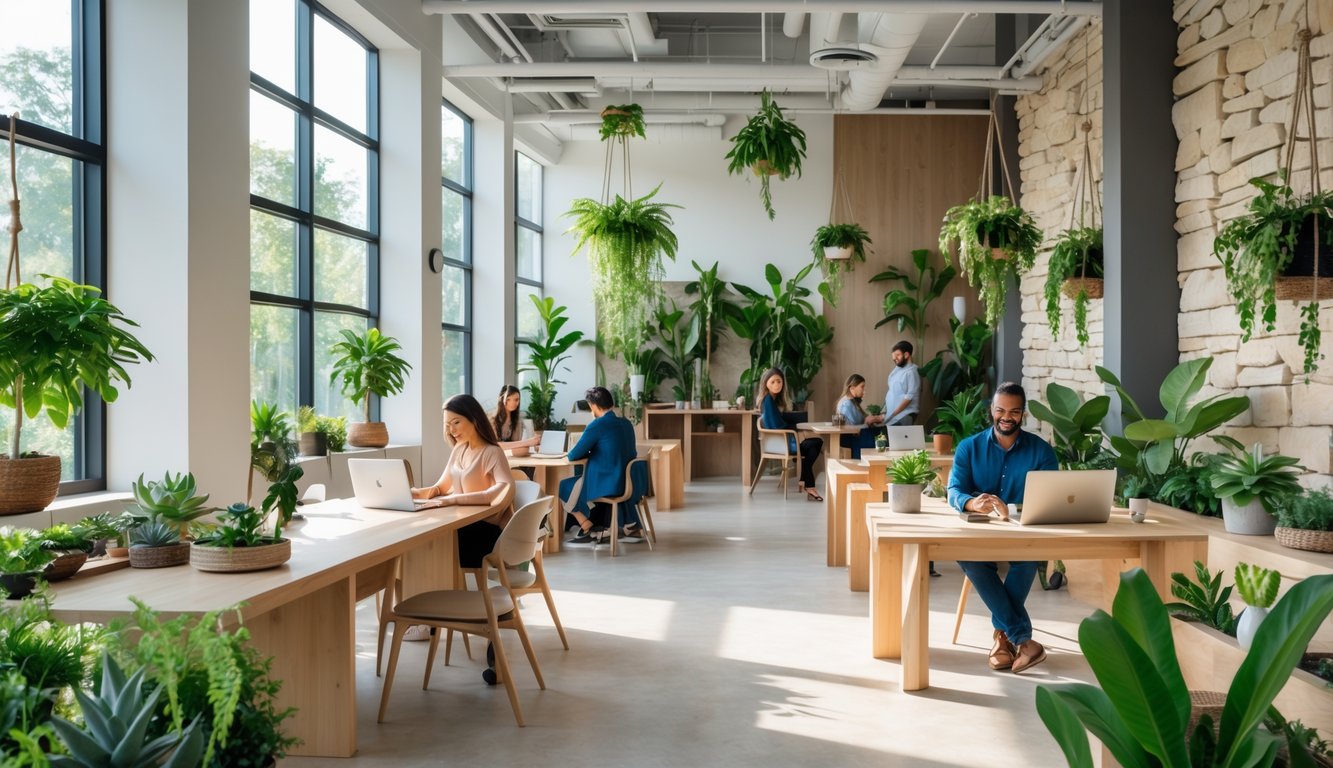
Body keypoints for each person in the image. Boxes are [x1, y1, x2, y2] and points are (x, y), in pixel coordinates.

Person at [946, 381, 1058, 674]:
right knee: (969, 558)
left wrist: (1015, 509)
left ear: (1023, 415)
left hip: (1024, 533)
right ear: (991, 411)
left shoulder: (1042, 452)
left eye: (1014, 411)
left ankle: (1004, 638)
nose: (1006, 417)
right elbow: (954, 490)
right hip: (979, 533)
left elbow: (1051, 496)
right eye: (1000, 410)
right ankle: (1023, 640)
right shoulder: (968, 448)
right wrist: (971, 503)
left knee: (1028, 559)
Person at [410, 394, 518, 640]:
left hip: (485, 534)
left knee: (428, 545)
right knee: (419, 544)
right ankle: (424, 617)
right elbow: (441, 485)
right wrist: (418, 492)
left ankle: (428, 620)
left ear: (474, 419)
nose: (451, 429)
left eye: (456, 422)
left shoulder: (492, 452)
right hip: (464, 525)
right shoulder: (459, 450)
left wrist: (453, 499)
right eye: (448, 424)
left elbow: (503, 488)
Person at [559, 386, 642, 544]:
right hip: (629, 483)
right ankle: (597, 525)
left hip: (608, 483)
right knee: (578, 484)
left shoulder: (598, 425)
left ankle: (587, 526)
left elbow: (573, 455)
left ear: (593, 406)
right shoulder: (626, 423)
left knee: (564, 486)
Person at [757, 367, 824, 502]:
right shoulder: (768, 400)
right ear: (766, 383)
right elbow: (777, 426)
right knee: (816, 443)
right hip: (781, 444)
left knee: (814, 444)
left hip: (781, 442)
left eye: (779, 382)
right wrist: (796, 427)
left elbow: (779, 421)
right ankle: (808, 484)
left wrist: (793, 422)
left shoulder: (773, 400)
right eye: (773, 382)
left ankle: (808, 484)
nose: (777, 385)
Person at [836, 373, 885, 460]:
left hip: (857, 436)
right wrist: (868, 421)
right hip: (851, 438)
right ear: (852, 388)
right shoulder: (846, 404)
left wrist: (871, 419)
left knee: (881, 430)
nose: (864, 390)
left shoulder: (852, 402)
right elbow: (853, 426)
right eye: (862, 387)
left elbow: (860, 421)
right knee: (881, 434)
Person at [491, 384, 540, 455]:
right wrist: (528, 442)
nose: (517, 403)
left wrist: (533, 443)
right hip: (496, 455)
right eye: (515, 400)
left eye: (518, 400)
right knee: (522, 449)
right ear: (505, 400)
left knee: (523, 450)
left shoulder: (517, 421)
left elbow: (517, 445)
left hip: (511, 455)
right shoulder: (493, 420)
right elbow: (494, 445)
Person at [883, 340, 921, 427]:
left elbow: (909, 396)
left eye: (898, 355)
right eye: (893, 356)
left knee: (900, 440)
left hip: (903, 415)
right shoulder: (897, 370)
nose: (894, 358)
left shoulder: (912, 372)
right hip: (893, 417)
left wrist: (893, 414)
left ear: (906, 355)